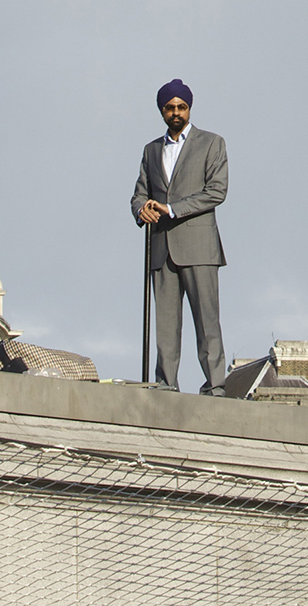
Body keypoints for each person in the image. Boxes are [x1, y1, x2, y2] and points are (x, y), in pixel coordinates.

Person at [131, 79, 228, 394]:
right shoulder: (151, 150)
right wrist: (141, 210)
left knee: (207, 321)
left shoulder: (212, 143)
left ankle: (215, 385)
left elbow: (216, 191)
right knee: (166, 326)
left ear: (189, 108)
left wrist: (171, 209)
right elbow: (139, 194)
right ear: (162, 111)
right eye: (170, 108)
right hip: (161, 248)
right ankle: (166, 382)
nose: (176, 113)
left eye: (181, 107)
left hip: (199, 247)